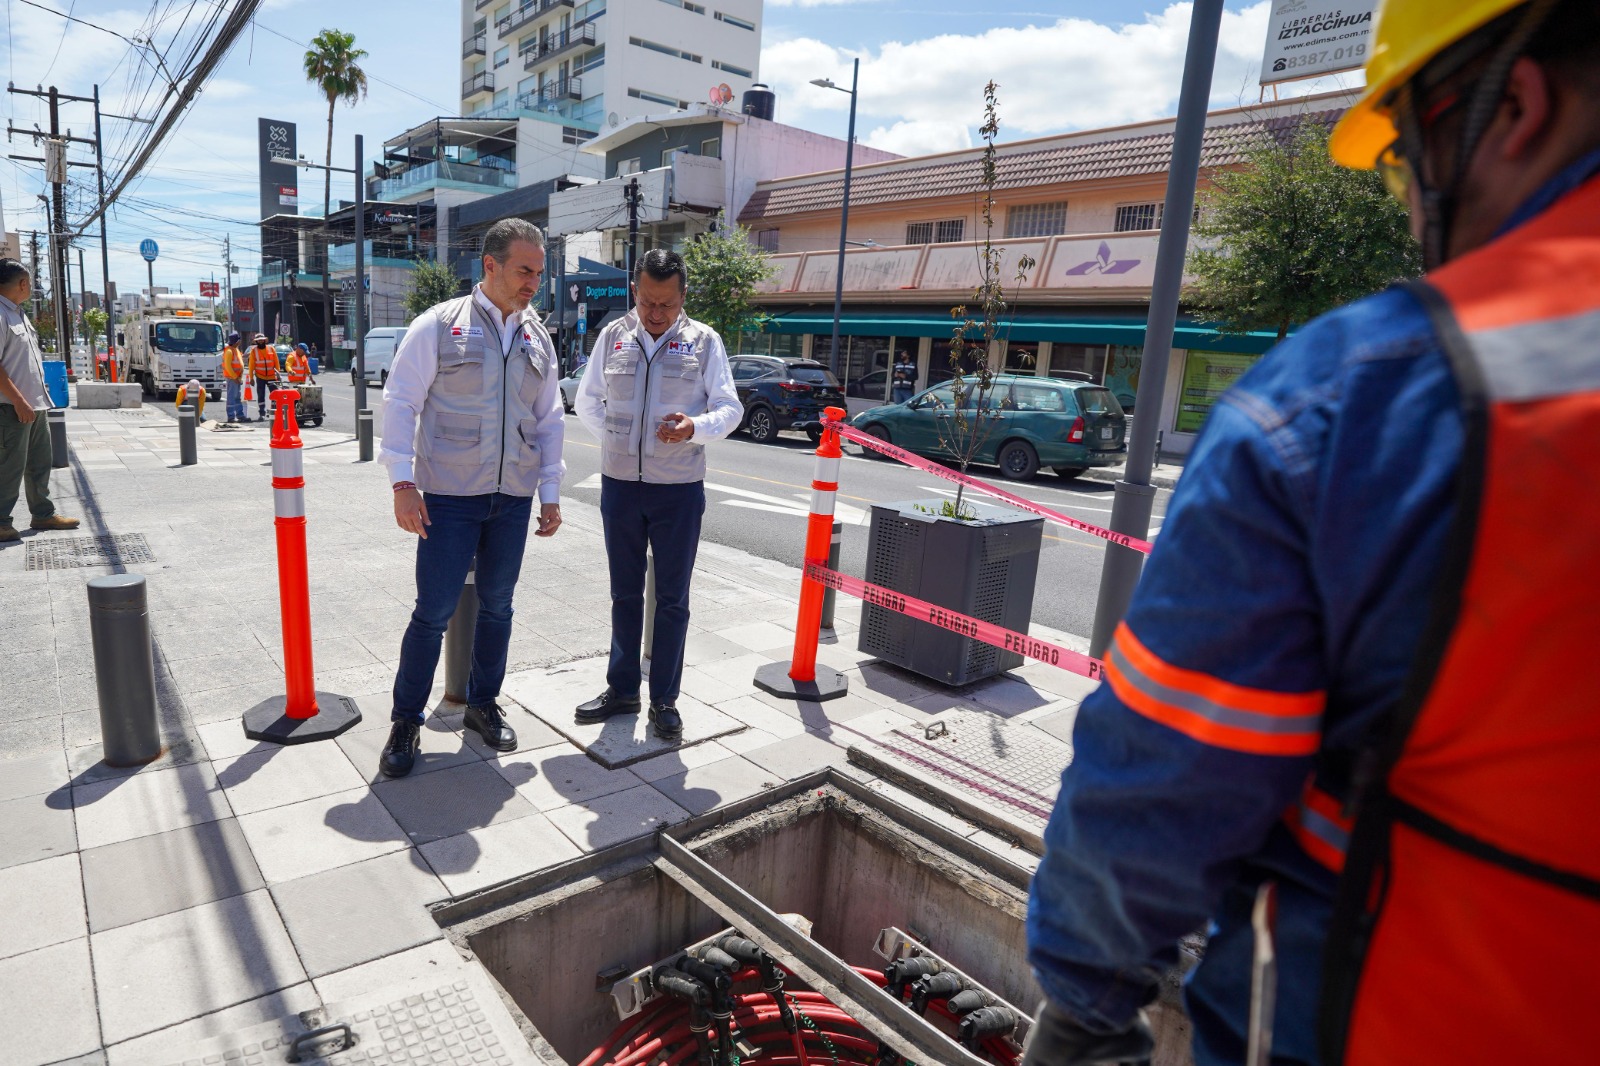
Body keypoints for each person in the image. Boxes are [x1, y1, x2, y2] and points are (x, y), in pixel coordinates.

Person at [1021, 2, 1600, 1064]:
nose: (1412, 209)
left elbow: (1160, 772)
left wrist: (1081, 997)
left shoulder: (1353, 402)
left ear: (1512, 106)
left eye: (1401, 166)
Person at [378, 218, 566, 777]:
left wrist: (550, 492)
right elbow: (400, 402)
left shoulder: (538, 337)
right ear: (490, 266)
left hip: (511, 499)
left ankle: (482, 705)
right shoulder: (439, 326)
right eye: (524, 270)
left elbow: (550, 418)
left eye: (539, 271)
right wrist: (402, 483)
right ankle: (406, 721)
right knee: (433, 613)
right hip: (449, 497)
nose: (534, 281)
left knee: (499, 606)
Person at [572, 249, 743, 739]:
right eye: (647, 301)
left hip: (678, 491)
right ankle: (622, 689)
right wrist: (614, 435)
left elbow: (729, 409)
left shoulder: (704, 342)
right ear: (636, 291)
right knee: (624, 593)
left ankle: (664, 700)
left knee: (672, 600)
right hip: (620, 485)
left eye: (666, 304)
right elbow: (586, 399)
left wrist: (694, 427)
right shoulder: (613, 336)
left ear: (682, 297)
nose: (655, 313)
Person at [0, 259, 79, 543]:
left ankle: (42, 513)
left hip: (34, 404)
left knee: (39, 462)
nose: (31, 287)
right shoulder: (0, 313)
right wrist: (19, 400)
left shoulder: (18, 313)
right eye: (29, 282)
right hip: (11, 406)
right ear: (22, 283)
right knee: (9, 465)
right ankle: (1, 521)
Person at [248, 334, 280, 421]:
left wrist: (278, 373)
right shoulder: (254, 351)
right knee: (261, 395)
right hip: (260, 376)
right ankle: (262, 413)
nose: (261, 341)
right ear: (257, 341)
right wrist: (251, 378)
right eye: (259, 340)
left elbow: (276, 362)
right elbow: (251, 365)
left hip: (272, 376)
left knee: (274, 395)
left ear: (265, 340)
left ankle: (274, 412)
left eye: (262, 340)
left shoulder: (271, 349)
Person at [222, 332, 247, 423]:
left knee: (237, 397)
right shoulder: (229, 351)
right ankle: (231, 416)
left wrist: (238, 377)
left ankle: (240, 415)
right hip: (232, 378)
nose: (240, 342)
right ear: (236, 341)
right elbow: (228, 366)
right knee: (231, 397)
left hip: (236, 378)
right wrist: (235, 377)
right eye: (239, 340)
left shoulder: (235, 350)